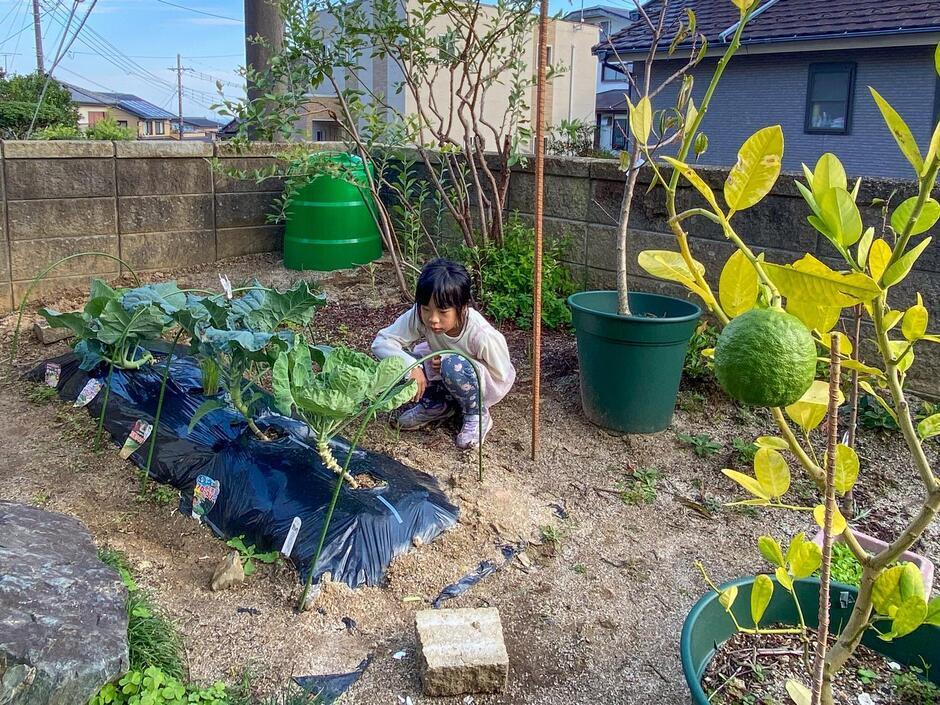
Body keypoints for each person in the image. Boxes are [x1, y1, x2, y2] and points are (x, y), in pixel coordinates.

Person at [371, 258, 515, 449]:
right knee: (398, 364)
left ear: (462, 307)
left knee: (452, 364)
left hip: (480, 383)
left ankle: (476, 414)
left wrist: (456, 363)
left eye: (443, 311)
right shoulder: (419, 316)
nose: (433, 319)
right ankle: (436, 405)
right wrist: (411, 367)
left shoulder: (480, 334)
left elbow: (502, 373)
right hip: (444, 372)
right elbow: (381, 342)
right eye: (426, 309)